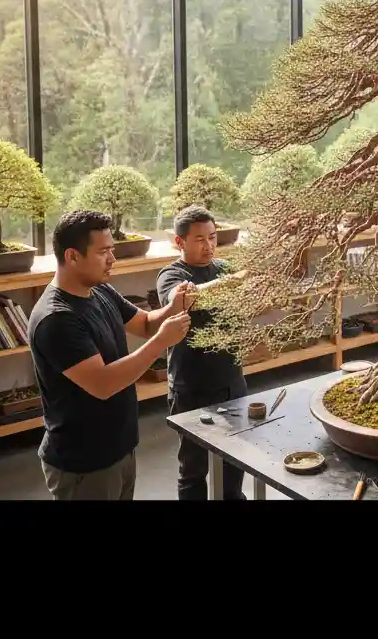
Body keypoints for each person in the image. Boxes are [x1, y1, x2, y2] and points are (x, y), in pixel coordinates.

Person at [28, 210, 194, 501]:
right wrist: (162, 342)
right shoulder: (57, 319)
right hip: (83, 462)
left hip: (119, 448)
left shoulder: (99, 289)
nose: (112, 259)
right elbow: (102, 384)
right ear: (72, 256)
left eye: (112, 250)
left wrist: (174, 306)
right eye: (103, 251)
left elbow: (144, 324)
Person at [157, 204, 248, 501]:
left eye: (212, 237)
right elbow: (184, 299)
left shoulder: (224, 267)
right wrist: (233, 283)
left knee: (235, 461)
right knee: (193, 469)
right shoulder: (171, 275)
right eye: (200, 239)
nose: (209, 245)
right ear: (179, 242)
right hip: (191, 385)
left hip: (231, 380)